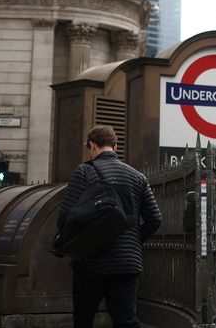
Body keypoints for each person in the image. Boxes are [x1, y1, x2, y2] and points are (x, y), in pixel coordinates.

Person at [57, 125, 162, 328]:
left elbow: (65, 216)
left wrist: (84, 241)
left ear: (92, 145)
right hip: (126, 263)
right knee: (126, 320)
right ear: (115, 146)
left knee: (84, 319)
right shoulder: (138, 177)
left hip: (91, 262)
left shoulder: (84, 172)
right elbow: (155, 219)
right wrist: (132, 241)